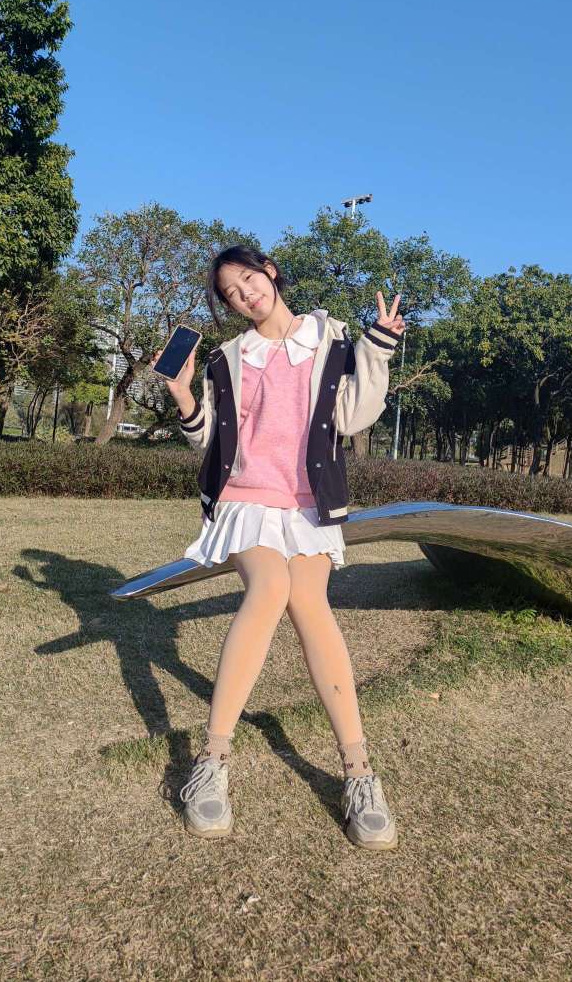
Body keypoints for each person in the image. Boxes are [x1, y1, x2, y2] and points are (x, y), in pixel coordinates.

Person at [150, 245, 405, 851]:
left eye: (248, 279)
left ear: (269, 271)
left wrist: (378, 348)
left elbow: (353, 418)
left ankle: (359, 774)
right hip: (245, 499)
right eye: (231, 294)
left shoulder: (332, 340)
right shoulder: (227, 358)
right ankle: (211, 761)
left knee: (310, 603)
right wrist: (184, 395)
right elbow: (211, 440)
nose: (245, 295)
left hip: (308, 504)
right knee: (270, 588)